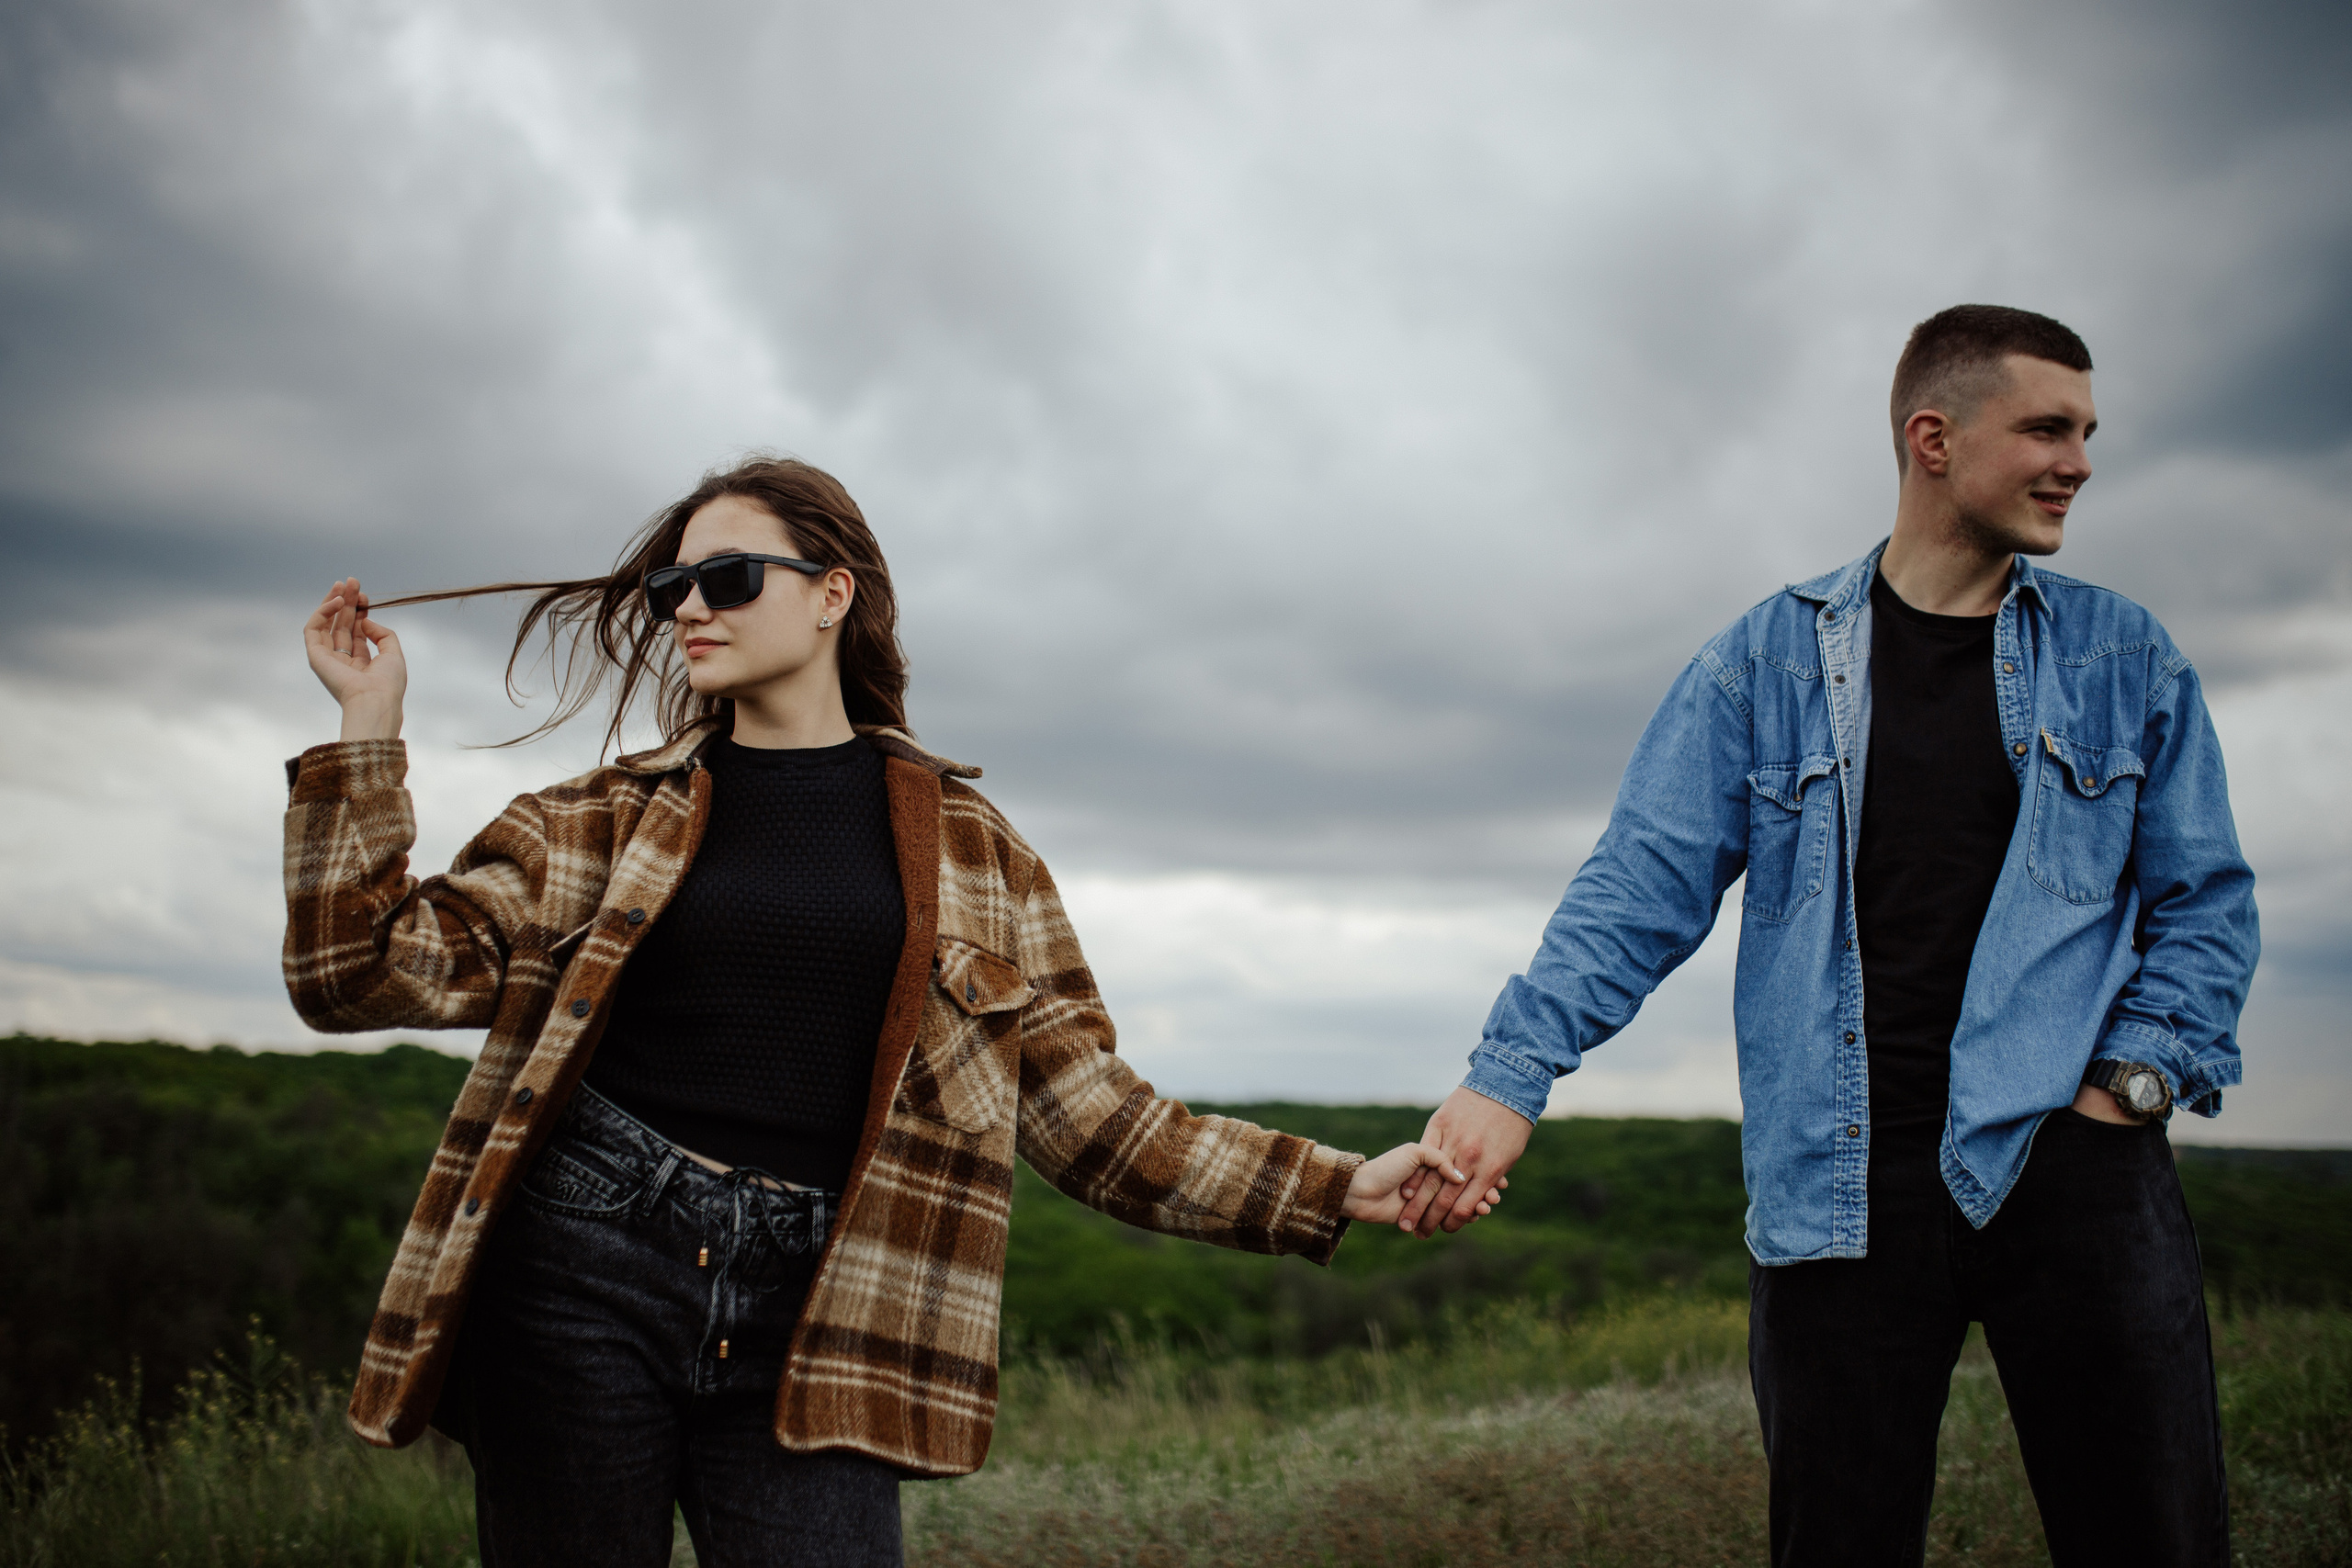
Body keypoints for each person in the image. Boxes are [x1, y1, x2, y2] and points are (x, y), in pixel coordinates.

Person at [286, 457, 1499, 1568]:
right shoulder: (599, 819)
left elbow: (1093, 1118)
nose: (689, 607)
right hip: (585, 1261)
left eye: (728, 576)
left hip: (833, 1293)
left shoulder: (977, 856)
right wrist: (367, 728)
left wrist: (1334, 1186)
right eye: (672, 586)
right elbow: (357, 972)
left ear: (833, 595)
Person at [1398, 305, 2259, 1565]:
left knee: (2153, 1540)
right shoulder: (1765, 667)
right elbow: (1637, 890)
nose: (2079, 460)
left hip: (2073, 1172)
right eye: (2047, 428)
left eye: (2086, 431)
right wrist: (1504, 1082)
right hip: (1839, 1191)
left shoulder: (2126, 658)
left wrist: (2126, 1091)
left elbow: (2207, 902)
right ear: (1933, 438)